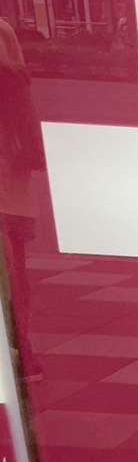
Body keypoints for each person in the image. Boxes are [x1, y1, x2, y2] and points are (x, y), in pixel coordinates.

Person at [0, 19, 45, 382]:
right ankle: (20, 348)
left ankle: (20, 346)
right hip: (10, 181)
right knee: (14, 274)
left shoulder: (2, 33)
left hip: (8, 179)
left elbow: (17, 89)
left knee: (13, 275)